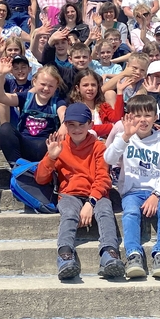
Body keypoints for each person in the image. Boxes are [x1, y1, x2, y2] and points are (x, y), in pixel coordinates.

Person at [35, 103, 125, 280]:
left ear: (90, 125)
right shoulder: (59, 146)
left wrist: (90, 203)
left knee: (105, 211)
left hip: (96, 194)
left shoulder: (99, 147)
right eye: (72, 125)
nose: (76, 129)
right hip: (69, 194)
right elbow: (40, 178)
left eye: (81, 125)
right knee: (68, 213)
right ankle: (65, 255)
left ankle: (109, 253)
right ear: (66, 125)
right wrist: (51, 157)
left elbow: (103, 178)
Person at [104, 94, 160, 280]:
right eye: (137, 115)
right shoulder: (125, 139)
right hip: (132, 192)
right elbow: (109, 159)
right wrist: (125, 137)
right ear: (129, 117)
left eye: (147, 115)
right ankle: (133, 255)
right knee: (130, 212)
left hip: (158, 193)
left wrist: (156, 194)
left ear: (155, 117)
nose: (142, 120)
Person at [0, 59, 66, 164]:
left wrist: (64, 125)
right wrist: (1, 75)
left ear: (56, 87)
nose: (46, 88)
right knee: (5, 128)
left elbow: (63, 114)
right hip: (25, 144)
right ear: (34, 82)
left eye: (51, 86)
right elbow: (0, 97)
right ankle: (17, 167)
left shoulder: (58, 102)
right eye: (42, 84)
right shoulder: (26, 98)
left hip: (45, 147)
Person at [68, 69, 123, 140]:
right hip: (85, 145)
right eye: (85, 85)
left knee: (121, 125)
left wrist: (120, 92)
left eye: (93, 85)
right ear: (77, 88)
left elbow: (117, 119)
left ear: (98, 87)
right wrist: (111, 126)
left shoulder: (103, 106)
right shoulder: (74, 108)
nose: (90, 88)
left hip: (104, 143)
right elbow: (86, 129)